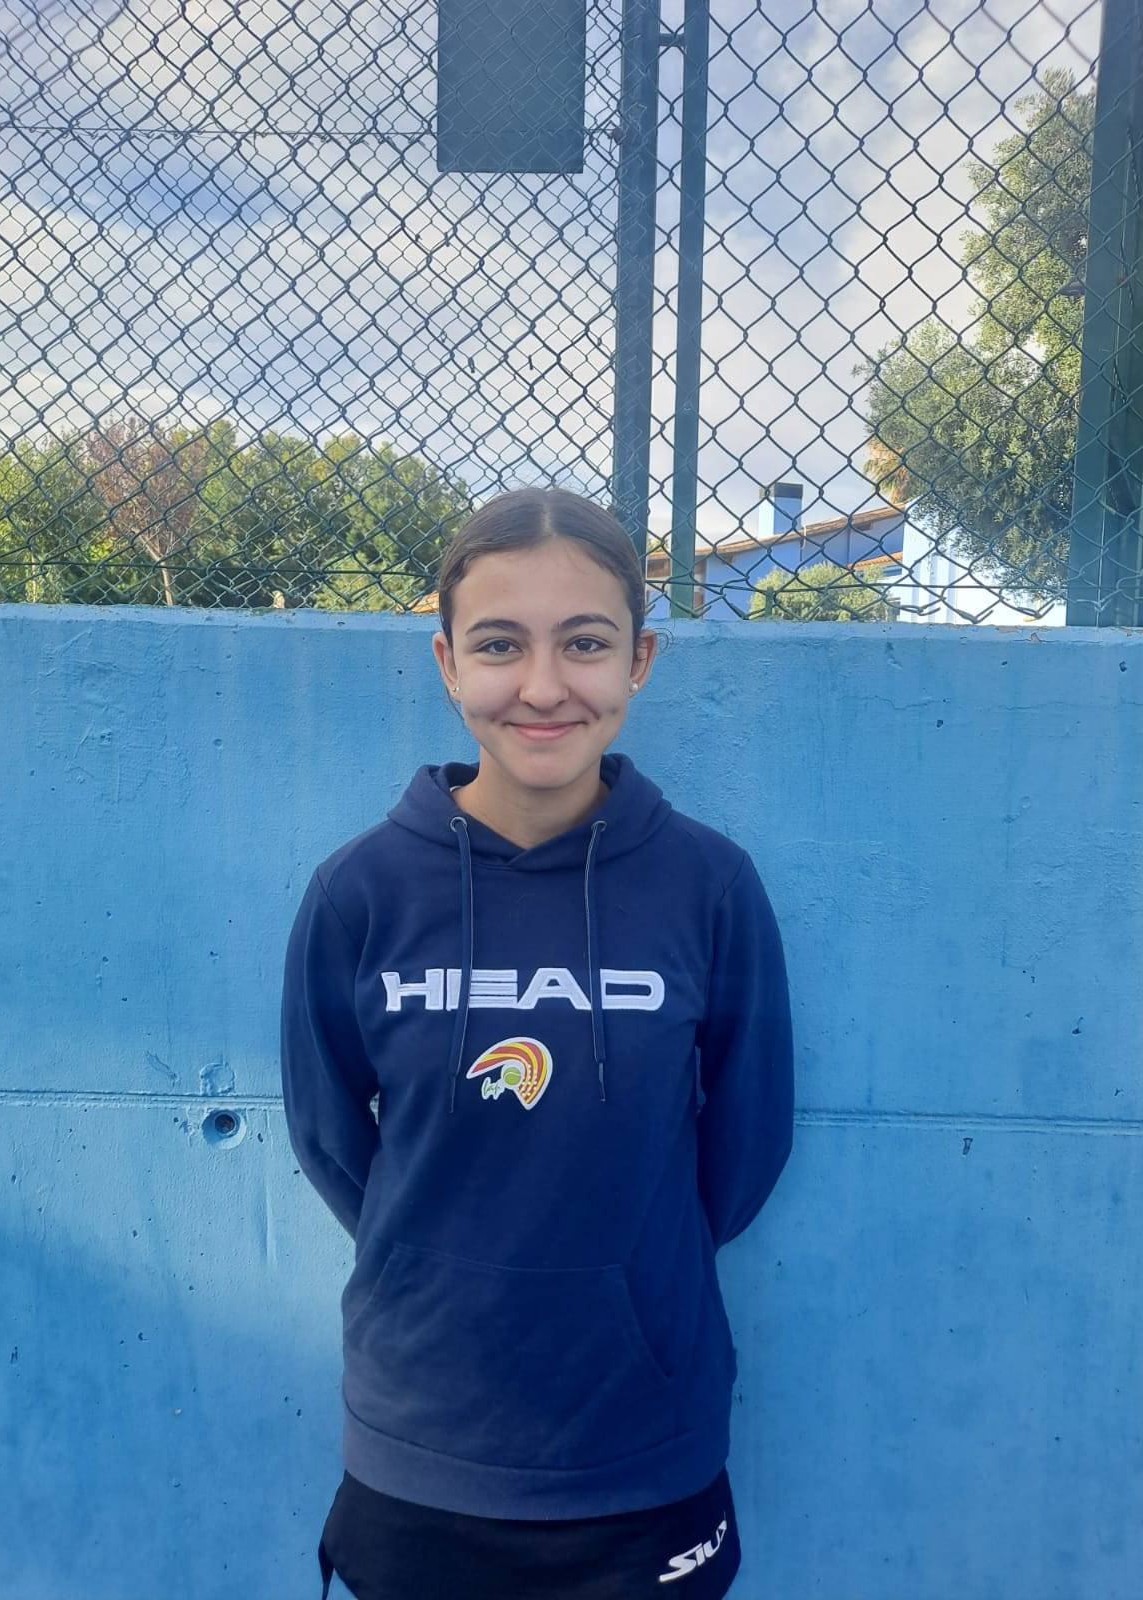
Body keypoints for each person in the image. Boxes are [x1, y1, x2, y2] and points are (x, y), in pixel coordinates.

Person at [280, 486, 795, 1599]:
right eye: (501, 644)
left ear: (641, 659)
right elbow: (329, 1138)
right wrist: (437, 1262)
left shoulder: (709, 886)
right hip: (422, 1439)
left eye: (587, 643)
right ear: (447, 662)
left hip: (642, 1438)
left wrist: (625, 1279)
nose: (545, 686)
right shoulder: (359, 892)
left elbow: (747, 1145)